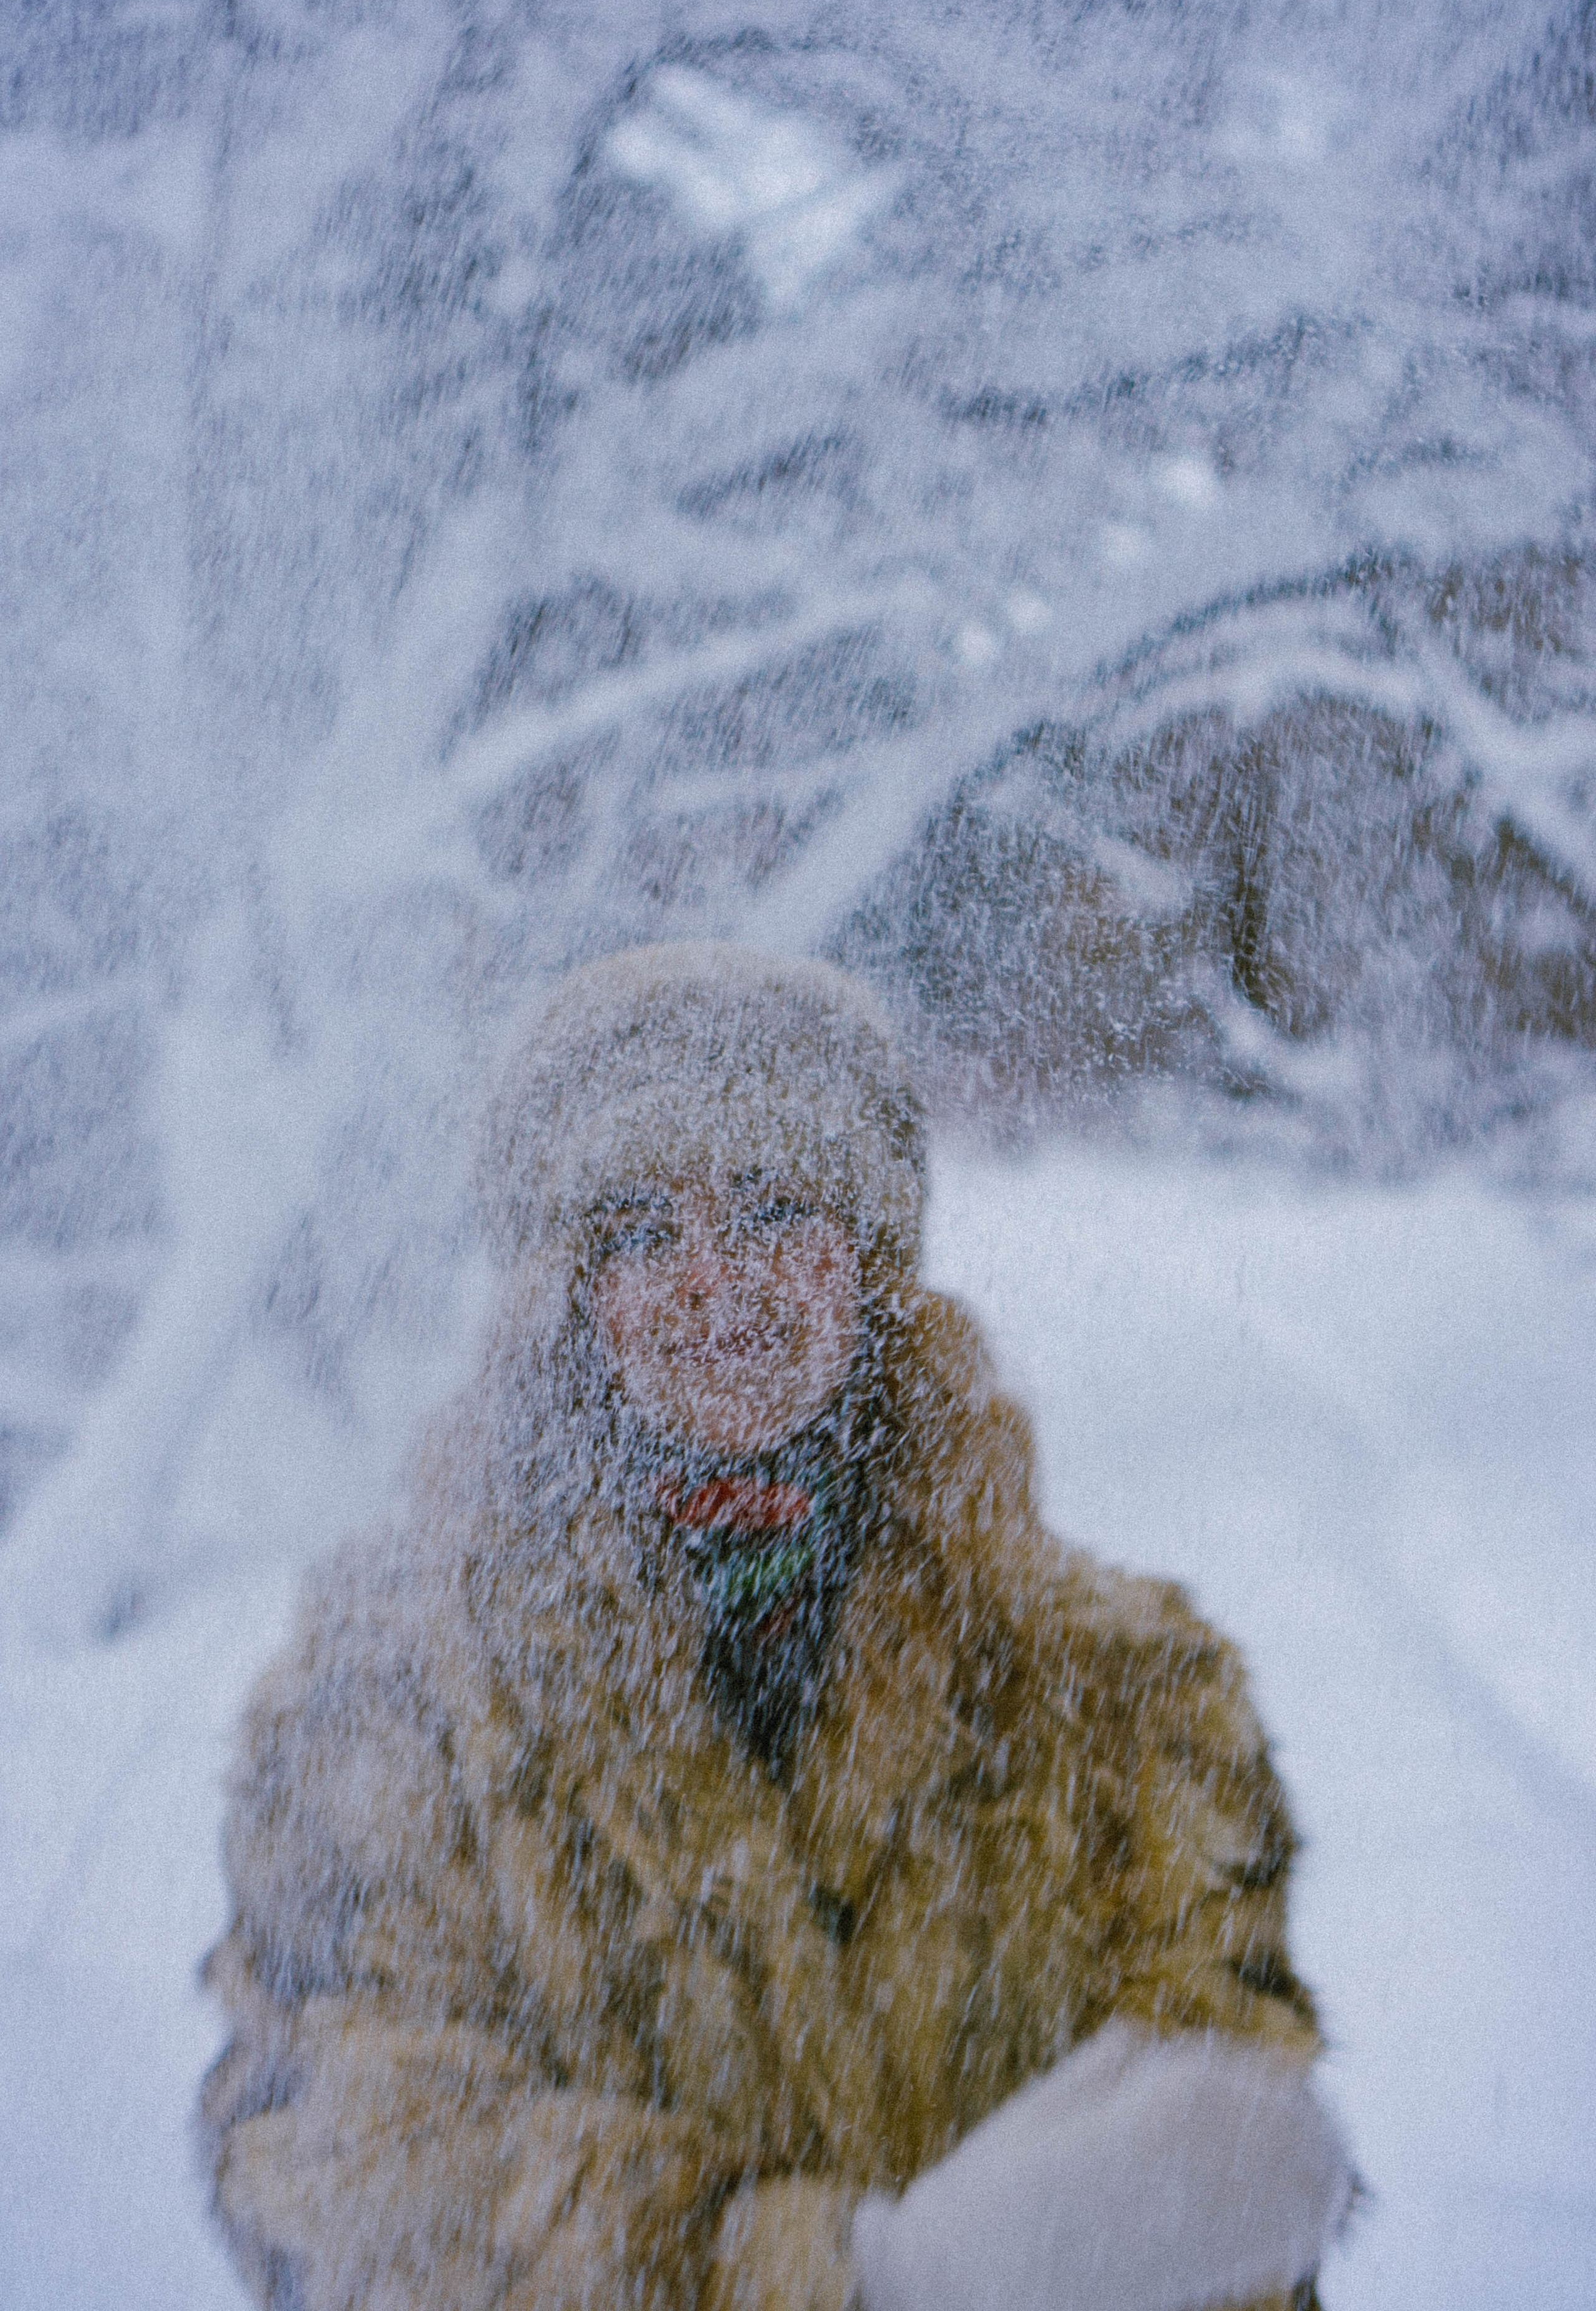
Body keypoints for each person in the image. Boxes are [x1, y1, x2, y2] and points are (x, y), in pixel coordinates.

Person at [200, 944, 1352, 2311]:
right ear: (564, 1293)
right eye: (638, 1230)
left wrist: (1206, 2197)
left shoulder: (1128, 1692)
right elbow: (334, 2162)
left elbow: (1211, 2176)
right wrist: (843, 2275)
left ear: (867, 1259)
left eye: (769, 1207)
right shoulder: (390, 1694)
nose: (712, 1281)